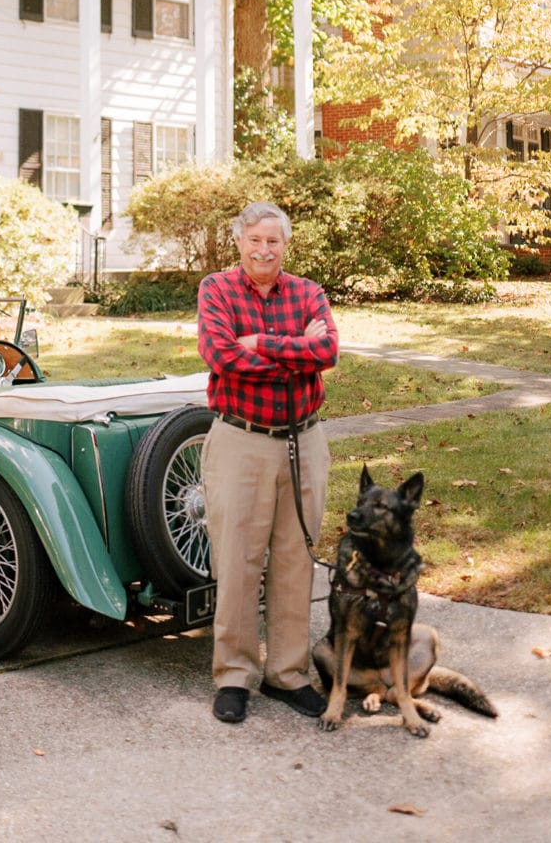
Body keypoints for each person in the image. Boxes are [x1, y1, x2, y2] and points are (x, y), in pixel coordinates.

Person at [197, 200, 338, 725]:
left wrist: (263, 344)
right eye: (255, 240)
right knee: (237, 560)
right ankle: (234, 675)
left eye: (273, 241)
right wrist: (294, 354)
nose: (264, 250)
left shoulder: (307, 292)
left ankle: (288, 674)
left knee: (295, 559)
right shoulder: (217, 288)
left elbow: (328, 352)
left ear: (286, 244)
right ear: (240, 242)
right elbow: (219, 354)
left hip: (305, 440)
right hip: (242, 441)